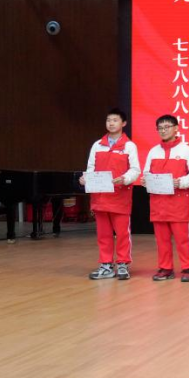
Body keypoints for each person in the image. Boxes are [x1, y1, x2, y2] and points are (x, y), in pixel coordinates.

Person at [81, 108, 140, 281]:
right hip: (100, 197)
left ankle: (123, 264)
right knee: (103, 234)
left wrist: (125, 178)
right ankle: (106, 265)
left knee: (122, 233)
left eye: (115, 120)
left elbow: (135, 170)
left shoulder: (129, 146)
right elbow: (91, 168)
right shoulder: (97, 145)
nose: (111, 123)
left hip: (120, 197)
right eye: (108, 120)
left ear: (124, 123)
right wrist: (86, 178)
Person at [143, 114, 189, 282]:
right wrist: (146, 180)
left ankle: (188, 268)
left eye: (167, 127)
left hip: (179, 202)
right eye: (160, 128)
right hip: (158, 203)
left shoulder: (186, 150)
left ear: (176, 128)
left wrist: (180, 182)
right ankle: (165, 268)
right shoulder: (153, 151)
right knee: (162, 240)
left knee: (183, 239)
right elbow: (146, 172)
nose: (163, 130)